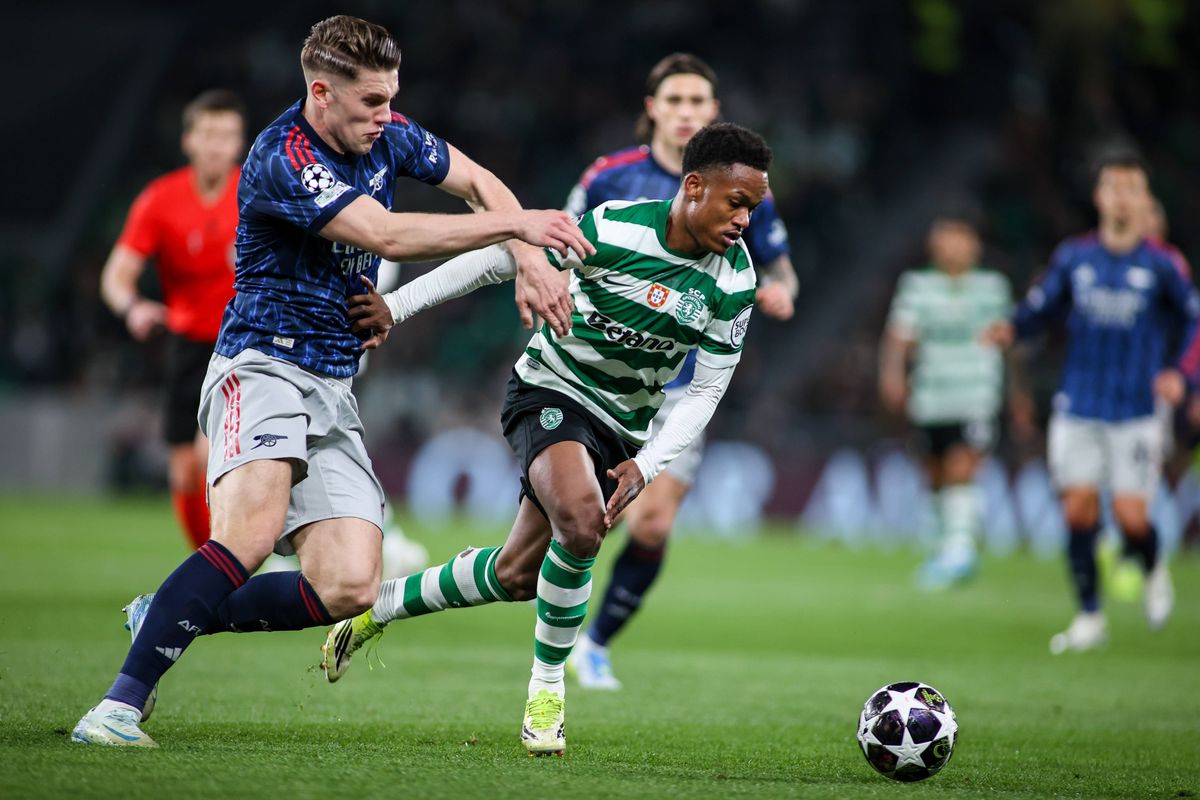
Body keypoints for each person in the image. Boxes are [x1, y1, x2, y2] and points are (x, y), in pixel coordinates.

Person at [71, 14, 589, 748]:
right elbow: (384, 233)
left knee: (349, 585)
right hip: (263, 364)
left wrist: (528, 252)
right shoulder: (284, 156)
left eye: (391, 98)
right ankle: (117, 706)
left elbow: (475, 180)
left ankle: (168, 610)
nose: (388, 116)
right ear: (321, 93)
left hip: (332, 384)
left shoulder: (387, 132)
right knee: (247, 536)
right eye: (372, 102)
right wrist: (523, 226)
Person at [321, 122, 771, 756]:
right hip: (551, 393)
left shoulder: (735, 281)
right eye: (737, 202)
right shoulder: (613, 227)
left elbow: (704, 392)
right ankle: (547, 689)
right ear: (694, 187)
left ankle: (381, 607)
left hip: (623, 427)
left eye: (754, 208)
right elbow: (503, 256)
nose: (745, 219)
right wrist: (400, 306)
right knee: (583, 524)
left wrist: (647, 464)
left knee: (516, 574)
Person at [561, 53, 798, 689]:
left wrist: (781, 291)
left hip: (677, 380)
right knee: (579, 521)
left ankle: (596, 643)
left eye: (698, 102)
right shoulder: (610, 178)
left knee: (653, 520)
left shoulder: (744, 187)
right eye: (675, 101)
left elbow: (778, 267)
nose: (687, 111)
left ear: (712, 113)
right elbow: (556, 250)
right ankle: (541, 611)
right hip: (595, 373)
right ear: (653, 110)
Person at [986, 152, 1194, 653]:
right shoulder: (1074, 257)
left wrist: (1180, 375)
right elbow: (1042, 307)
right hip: (1078, 402)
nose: (1122, 197)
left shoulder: (1163, 266)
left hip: (1135, 410)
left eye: (1132, 189)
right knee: (1078, 510)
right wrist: (1012, 327)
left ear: (1145, 202)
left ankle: (1152, 563)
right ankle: (1089, 616)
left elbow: (1192, 324)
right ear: (1099, 197)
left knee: (1130, 517)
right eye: (1113, 187)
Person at [100, 89, 245, 550]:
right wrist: (133, 306)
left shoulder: (257, 193)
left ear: (240, 143)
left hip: (246, 341)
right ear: (189, 140)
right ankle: (208, 565)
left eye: (227, 135)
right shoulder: (160, 200)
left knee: (214, 457)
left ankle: (235, 560)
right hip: (189, 345)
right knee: (184, 468)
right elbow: (116, 275)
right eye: (208, 134)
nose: (217, 145)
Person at [879, 213, 1020, 589]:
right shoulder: (917, 286)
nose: (952, 245)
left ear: (975, 244)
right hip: (930, 396)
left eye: (959, 237)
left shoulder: (992, 288)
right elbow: (899, 337)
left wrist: (1018, 395)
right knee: (936, 473)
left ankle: (960, 552)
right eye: (945, 237)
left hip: (976, 395)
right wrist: (893, 376)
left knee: (962, 465)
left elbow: (1009, 346)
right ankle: (945, 546)